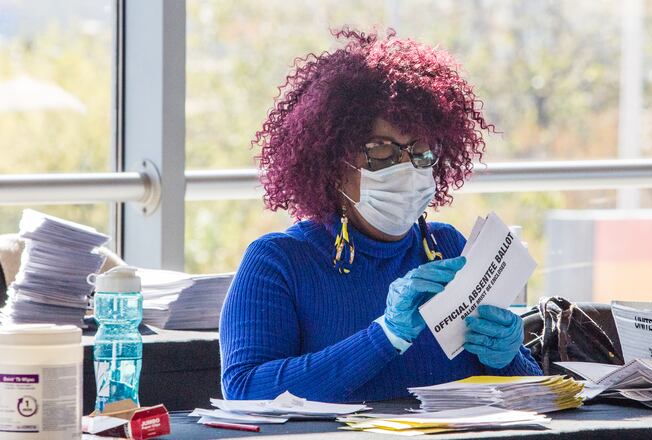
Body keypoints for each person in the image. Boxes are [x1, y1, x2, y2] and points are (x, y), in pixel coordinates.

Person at [219, 28, 541, 403]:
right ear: (332, 163)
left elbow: (531, 395)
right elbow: (243, 390)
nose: (406, 168)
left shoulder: (450, 247)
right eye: (381, 151)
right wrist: (386, 335)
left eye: (421, 152)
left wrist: (509, 357)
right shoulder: (279, 262)